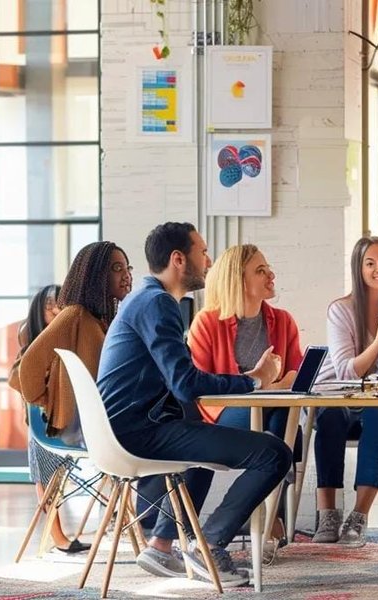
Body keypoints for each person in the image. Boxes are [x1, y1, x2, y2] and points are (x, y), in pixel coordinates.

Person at [97, 222, 292, 586]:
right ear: (178, 259)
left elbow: (180, 382)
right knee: (274, 454)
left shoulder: (147, 300)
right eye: (202, 252)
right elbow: (186, 383)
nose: (208, 260)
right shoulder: (157, 303)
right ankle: (211, 546)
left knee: (203, 438)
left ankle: (161, 543)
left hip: (130, 426)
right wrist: (254, 380)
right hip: (138, 432)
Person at [8, 243, 134, 555]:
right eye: (116, 268)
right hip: (79, 428)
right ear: (95, 276)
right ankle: (157, 532)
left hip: (98, 424)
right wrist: (46, 402)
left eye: (128, 268)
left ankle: (149, 530)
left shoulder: (103, 320)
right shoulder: (75, 315)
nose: (126, 275)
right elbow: (28, 369)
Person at [186, 244, 302, 558]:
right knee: (281, 419)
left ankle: (264, 522)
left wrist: (272, 385)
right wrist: (262, 382)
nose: (271, 275)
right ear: (238, 280)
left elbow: (297, 377)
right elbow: (199, 389)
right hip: (221, 417)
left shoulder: (283, 321)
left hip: (271, 415)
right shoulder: (207, 323)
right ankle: (270, 524)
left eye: (268, 268)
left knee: (280, 417)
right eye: (260, 270)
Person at [313, 236, 378, 546]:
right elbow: (347, 370)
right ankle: (328, 514)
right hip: (339, 397)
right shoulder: (341, 310)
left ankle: (358, 516)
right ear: (358, 270)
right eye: (370, 263)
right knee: (329, 417)